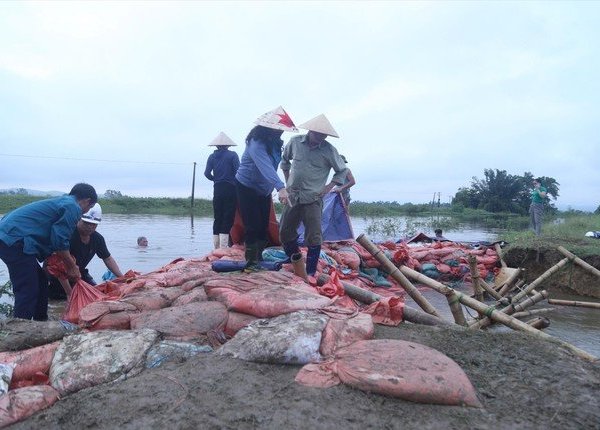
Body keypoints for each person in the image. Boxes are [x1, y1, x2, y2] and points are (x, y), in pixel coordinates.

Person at [0, 183, 97, 320]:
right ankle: (21, 328)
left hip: (13, 238)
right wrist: (71, 266)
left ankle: (41, 322)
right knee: (28, 288)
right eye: (90, 207)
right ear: (87, 201)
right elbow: (60, 241)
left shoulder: (64, 201)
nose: (86, 212)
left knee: (41, 281)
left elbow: (54, 237)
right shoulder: (73, 207)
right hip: (13, 240)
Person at [279, 114, 348, 279]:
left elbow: (342, 170)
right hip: (293, 196)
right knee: (285, 231)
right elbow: (285, 161)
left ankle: (309, 272)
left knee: (314, 236)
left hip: (313, 198)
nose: (321, 138)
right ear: (310, 131)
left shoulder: (329, 150)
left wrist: (328, 187)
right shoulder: (295, 142)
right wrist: (287, 183)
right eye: (318, 134)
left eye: (324, 135)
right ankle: (295, 259)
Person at [235, 106, 297, 272]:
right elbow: (266, 167)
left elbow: (275, 167)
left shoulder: (275, 144)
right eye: (278, 130)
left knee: (263, 225)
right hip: (246, 186)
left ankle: (259, 257)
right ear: (268, 128)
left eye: (283, 130)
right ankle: (251, 263)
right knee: (252, 225)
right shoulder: (256, 143)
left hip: (264, 188)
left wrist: (276, 186)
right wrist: (281, 188)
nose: (281, 133)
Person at [47, 203, 123, 299]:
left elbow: (107, 258)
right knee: (57, 302)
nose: (90, 227)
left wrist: (122, 278)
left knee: (97, 295)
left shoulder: (98, 239)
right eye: (86, 223)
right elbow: (58, 265)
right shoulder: (67, 236)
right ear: (78, 219)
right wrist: (69, 293)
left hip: (79, 274)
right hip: (56, 277)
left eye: (94, 224)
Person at [204, 132, 240, 249]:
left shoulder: (212, 157)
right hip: (230, 188)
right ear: (228, 146)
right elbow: (238, 173)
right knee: (228, 216)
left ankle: (216, 248)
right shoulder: (233, 155)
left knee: (218, 216)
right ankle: (223, 248)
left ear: (216, 146)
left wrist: (216, 179)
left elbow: (207, 174)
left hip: (218, 188)